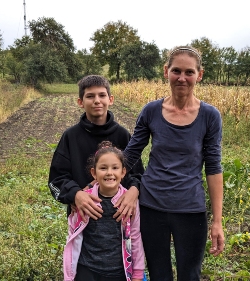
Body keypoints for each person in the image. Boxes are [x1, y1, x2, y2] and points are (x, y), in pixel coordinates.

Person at [123, 46, 225, 281]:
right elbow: (130, 155)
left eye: (189, 72)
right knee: (159, 274)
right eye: (176, 71)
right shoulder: (151, 111)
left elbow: (213, 166)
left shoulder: (210, 116)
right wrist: (100, 182)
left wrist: (217, 221)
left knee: (190, 275)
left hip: (190, 208)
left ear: (199, 75)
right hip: (151, 206)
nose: (182, 78)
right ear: (166, 71)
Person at [48, 74, 144, 222]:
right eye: (90, 96)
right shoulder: (71, 137)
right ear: (81, 102)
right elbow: (56, 179)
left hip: (119, 218)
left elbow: (137, 175)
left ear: (110, 99)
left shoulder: (123, 135)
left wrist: (134, 191)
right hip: (84, 219)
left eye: (102, 95)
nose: (97, 101)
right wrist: (76, 195)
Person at [63, 141, 145, 281]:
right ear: (94, 173)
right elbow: (73, 234)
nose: (109, 173)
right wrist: (69, 275)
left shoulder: (130, 202)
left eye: (115, 168)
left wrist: (137, 273)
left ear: (123, 172)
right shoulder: (85, 200)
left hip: (118, 271)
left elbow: (136, 238)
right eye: (103, 168)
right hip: (87, 269)